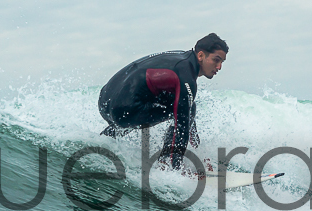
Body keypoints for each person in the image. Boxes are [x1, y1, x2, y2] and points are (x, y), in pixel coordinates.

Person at [98, 33, 229, 169]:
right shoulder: (186, 76)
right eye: (216, 60)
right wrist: (178, 168)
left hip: (104, 102)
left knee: (186, 105)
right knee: (185, 111)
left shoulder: (181, 58)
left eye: (222, 62)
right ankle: (167, 162)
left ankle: (103, 140)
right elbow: (182, 127)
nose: (219, 67)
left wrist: (198, 150)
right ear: (201, 56)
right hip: (122, 109)